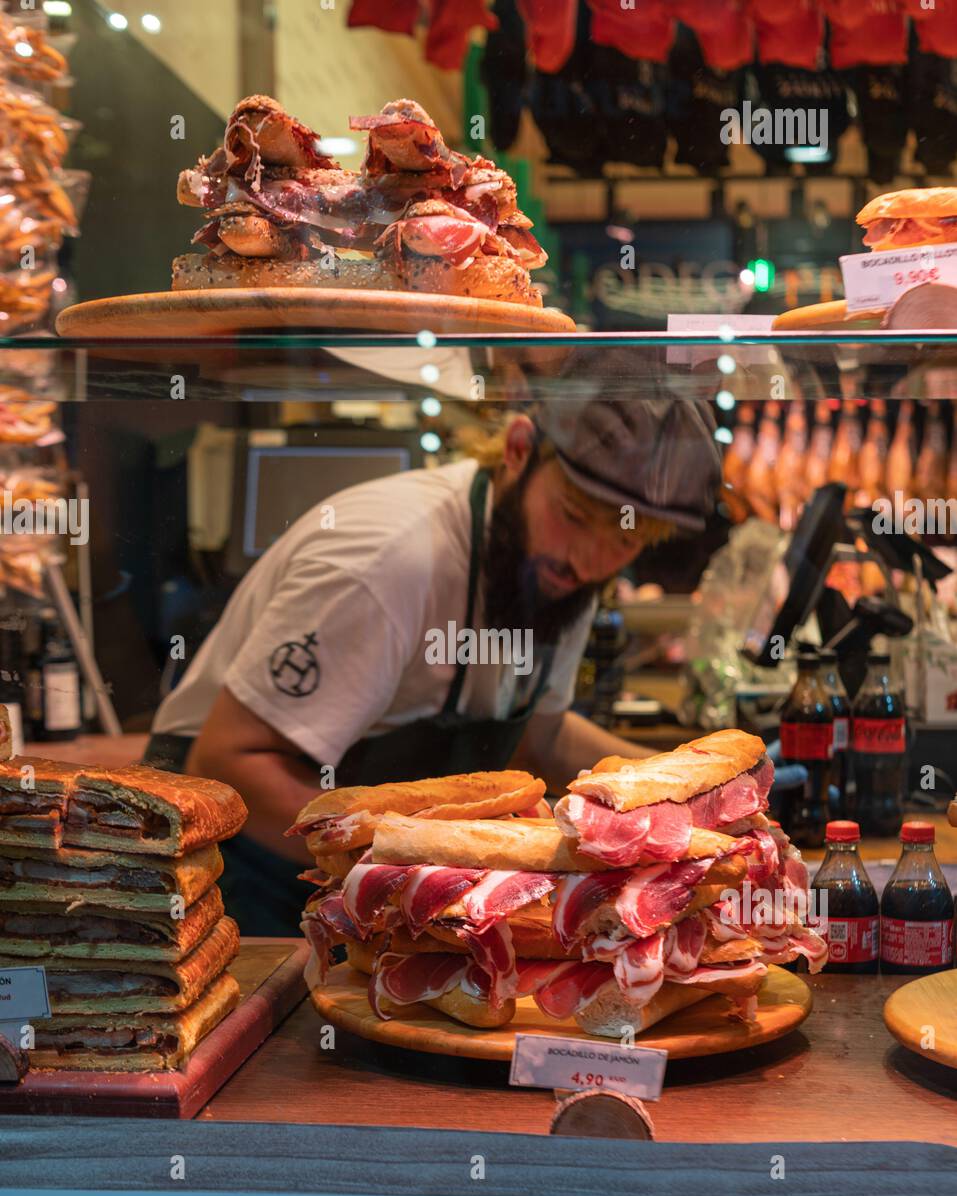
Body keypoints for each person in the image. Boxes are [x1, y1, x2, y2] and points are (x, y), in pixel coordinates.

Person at [146, 392, 722, 933]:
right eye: (573, 514)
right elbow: (229, 763)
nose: (589, 562)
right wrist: (422, 876)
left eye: (626, 539)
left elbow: (539, 735)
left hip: (373, 889)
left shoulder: (558, 568)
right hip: (239, 876)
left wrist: (691, 789)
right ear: (519, 451)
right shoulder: (387, 562)